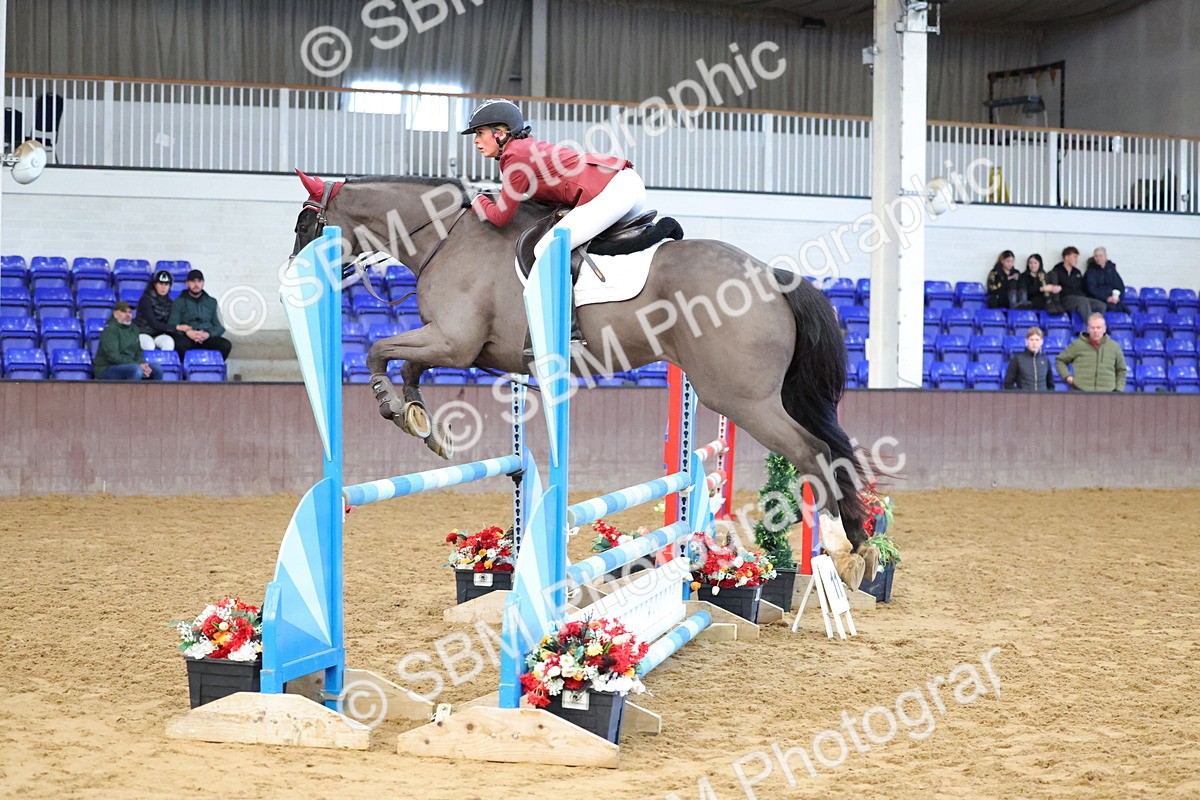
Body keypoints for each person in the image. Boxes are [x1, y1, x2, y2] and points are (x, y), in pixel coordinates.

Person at [463, 98, 645, 349]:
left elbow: (501, 217)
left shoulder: (515, 156)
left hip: (615, 190)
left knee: (547, 248)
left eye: (480, 133)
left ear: (501, 133)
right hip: (624, 184)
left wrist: (476, 199)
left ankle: (570, 333)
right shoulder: (524, 149)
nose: (475, 140)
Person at [168, 269, 233, 359]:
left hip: (207, 337)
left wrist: (208, 334)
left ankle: (214, 367)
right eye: (193, 281)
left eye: (199, 281)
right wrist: (188, 332)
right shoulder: (178, 302)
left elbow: (220, 326)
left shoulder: (211, 302)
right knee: (179, 345)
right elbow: (172, 325)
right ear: (187, 283)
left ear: (203, 283)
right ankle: (186, 367)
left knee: (225, 345)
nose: (196, 284)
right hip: (187, 337)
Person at [1055, 312, 1128, 392]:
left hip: (1107, 395)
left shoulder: (1114, 347)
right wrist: (1067, 377)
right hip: (1080, 393)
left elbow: (1121, 370)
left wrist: (1118, 391)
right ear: (1088, 329)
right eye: (1092, 328)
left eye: (1098, 327)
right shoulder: (1077, 345)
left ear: (1104, 329)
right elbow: (1060, 360)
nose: (1095, 331)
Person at [93, 302, 163, 381]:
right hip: (106, 368)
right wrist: (138, 364)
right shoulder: (110, 330)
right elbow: (113, 357)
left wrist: (142, 363)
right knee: (136, 370)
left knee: (157, 369)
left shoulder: (134, 328)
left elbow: (138, 351)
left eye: (130, 312)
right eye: (124, 312)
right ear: (115, 314)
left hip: (131, 365)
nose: (128, 315)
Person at [1049, 246, 1105, 321]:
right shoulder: (1056, 271)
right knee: (1082, 301)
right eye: (1075, 257)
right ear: (1066, 257)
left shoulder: (1077, 272)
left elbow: (1082, 288)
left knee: (1101, 305)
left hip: (1080, 298)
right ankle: (1091, 325)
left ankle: (1098, 325)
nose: (1077, 260)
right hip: (1065, 299)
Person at [135, 270, 177, 351]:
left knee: (169, 343)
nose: (163, 287)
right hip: (142, 332)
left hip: (159, 334)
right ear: (155, 285)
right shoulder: (145, 300)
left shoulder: (170, 303)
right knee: (149, 346)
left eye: (166, 284)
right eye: (160, 284)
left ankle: (164, 360)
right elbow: (153, 323)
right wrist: (176, 327)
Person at [1004, 326, 1054, 391]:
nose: (1034, 342)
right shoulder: (1017, 359)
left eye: (1037, 340)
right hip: (1024, 397)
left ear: (1041, 341)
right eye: (1031, 339)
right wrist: (1020, 394)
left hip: (1042, 397)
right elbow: (1008, 384)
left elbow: (1051, 386)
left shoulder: (1045, 359)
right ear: (1026, 341)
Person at [1084, 247, 1130, 314]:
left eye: (1100, 256)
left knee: (1127, 311)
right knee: (1112, 308)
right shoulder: (1091, 270)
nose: (1098, 258)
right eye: (1096, 256)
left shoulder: (1111, 269)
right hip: (1098, 299)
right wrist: (1106, 298)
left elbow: (1120, 286)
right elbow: (1092, 289)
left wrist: (1118, 298)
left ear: (1105, 256)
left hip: (1113, 299)